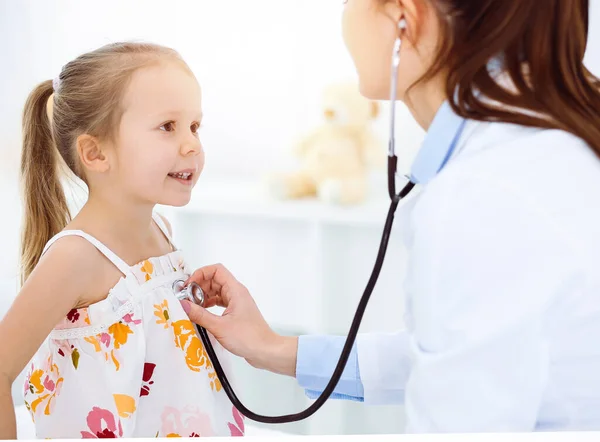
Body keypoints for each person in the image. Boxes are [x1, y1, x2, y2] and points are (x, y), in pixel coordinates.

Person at [180, 0, 600, 434]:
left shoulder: (481, 192)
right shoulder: (548, 141)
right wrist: (274, 348)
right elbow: (464, 351)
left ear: (405, 16)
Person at [0, 42, 245, 439]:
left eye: (195, 126)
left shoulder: (162, 231)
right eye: (168, 126)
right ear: (96, 153)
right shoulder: (76, 257)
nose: (192, 145)